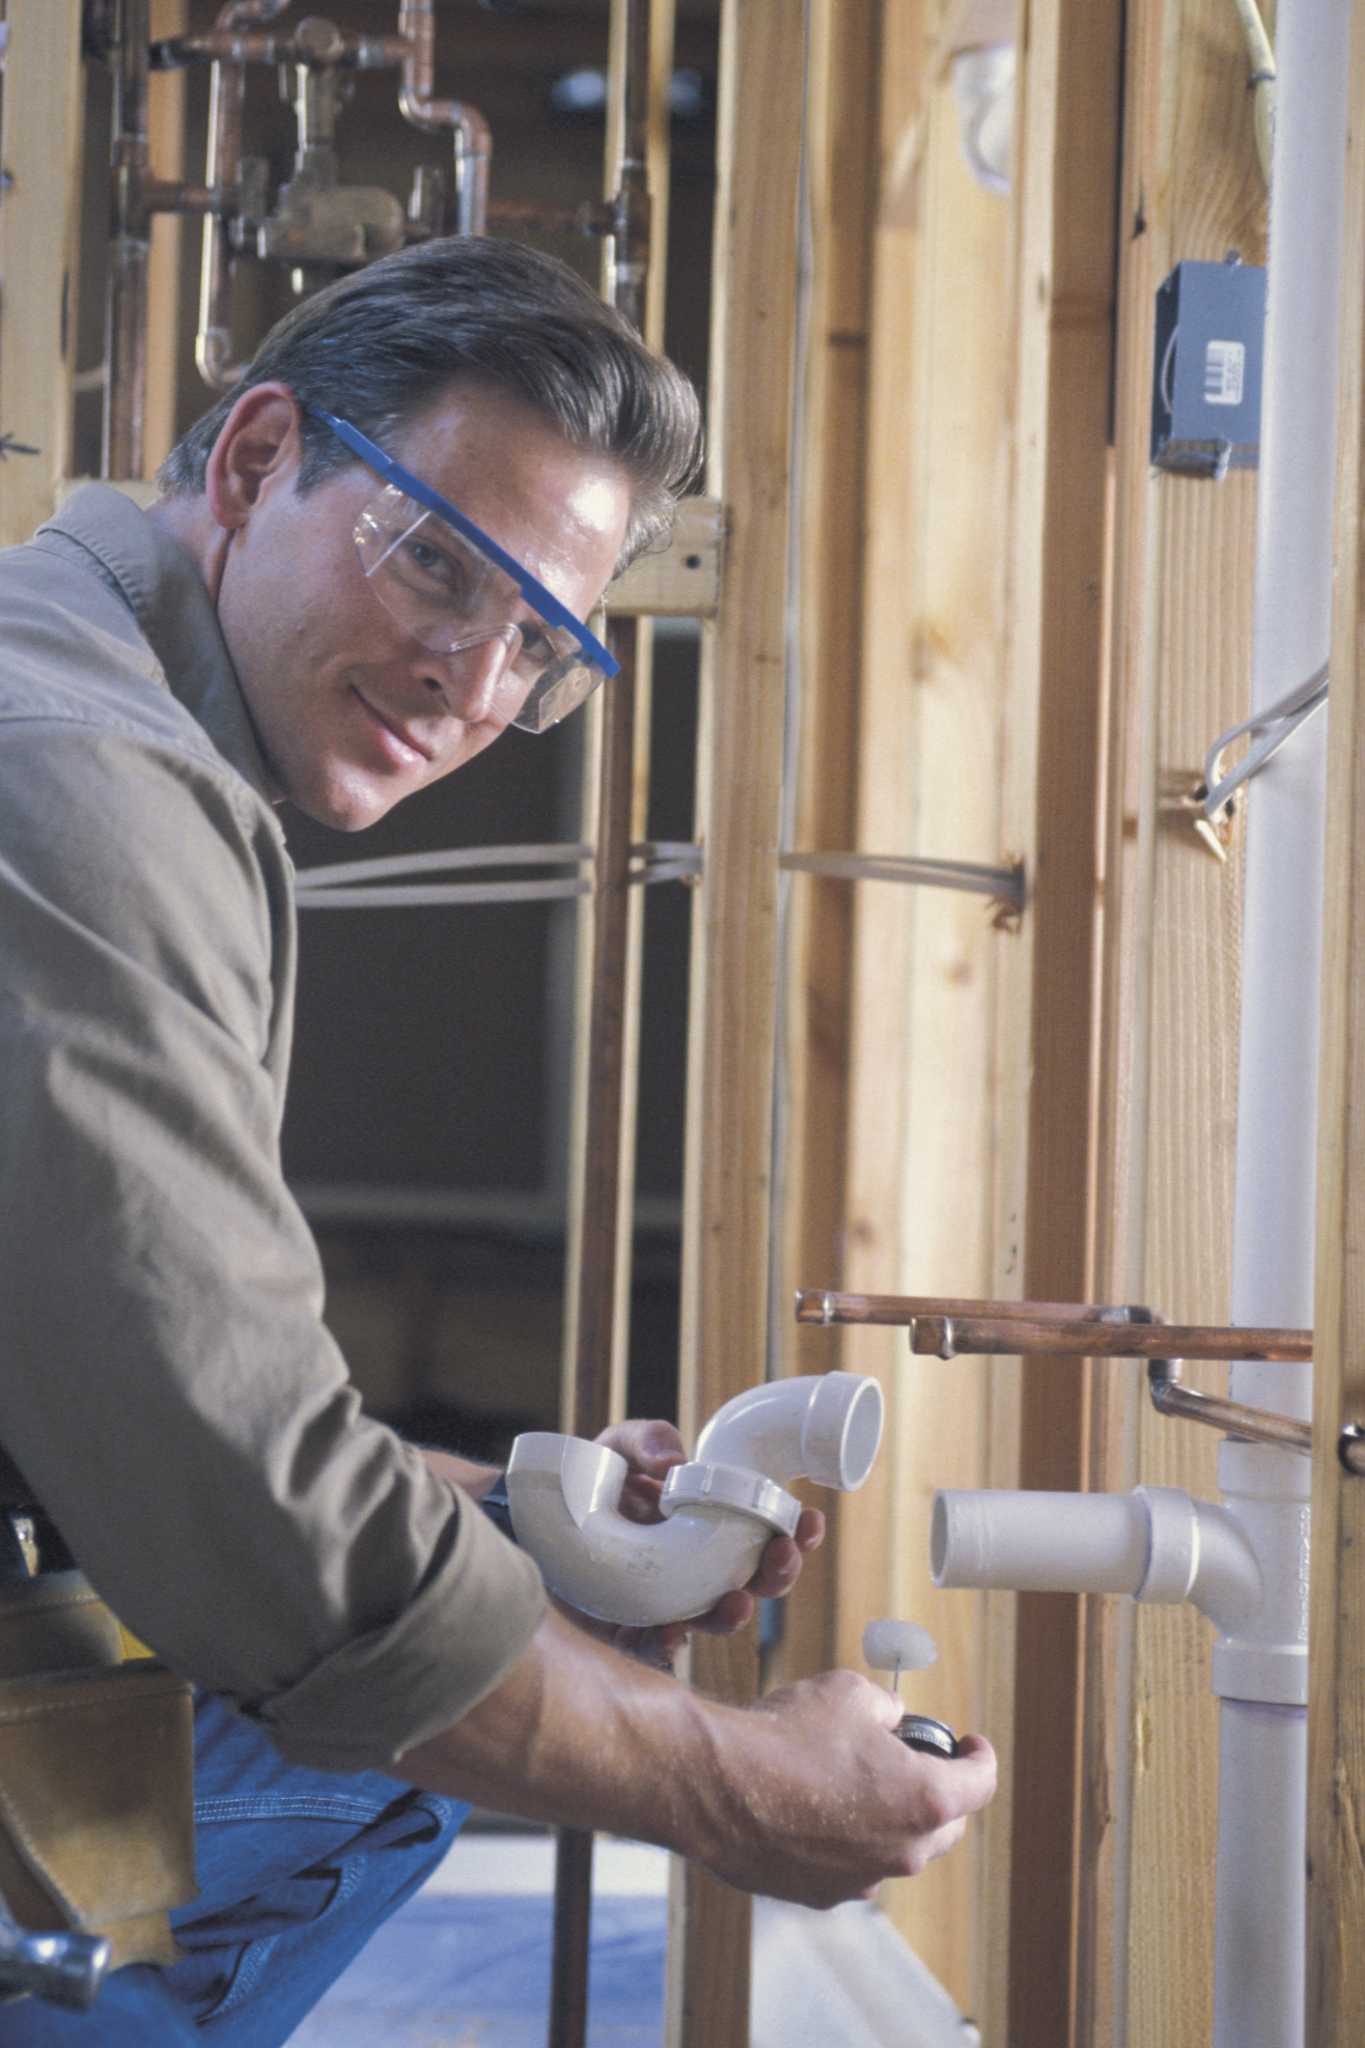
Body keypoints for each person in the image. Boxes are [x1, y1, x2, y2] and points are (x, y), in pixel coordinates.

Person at [0, 237, 995, 2041]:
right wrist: (750, 1787)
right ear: (251, 463)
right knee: (410, 1671)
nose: (472, 682)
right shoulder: (71, 782)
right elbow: (264, 1532)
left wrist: (531, 1514)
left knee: (465, 1659)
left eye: (539, 645)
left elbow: (96, 1397)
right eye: (436, 560)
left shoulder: (111, 715)